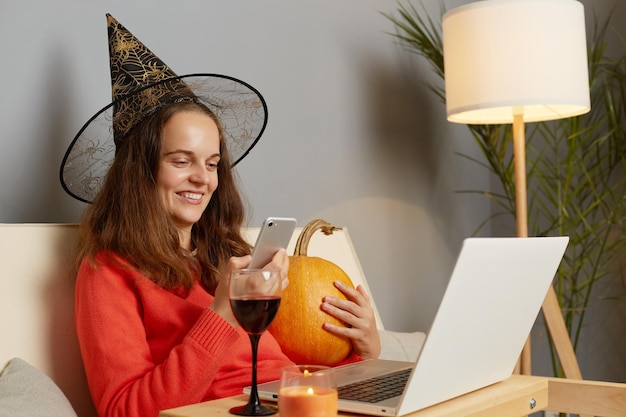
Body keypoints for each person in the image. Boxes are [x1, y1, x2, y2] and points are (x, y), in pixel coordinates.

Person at [60, 14, 381, 417]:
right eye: (181, 161)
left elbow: (283, 377)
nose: (202, 179)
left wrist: (365, 354)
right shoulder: (107, 271)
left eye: (212, 164)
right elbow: (125, 410)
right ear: (139, 171)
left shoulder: (226, 255)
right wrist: (224, 313)